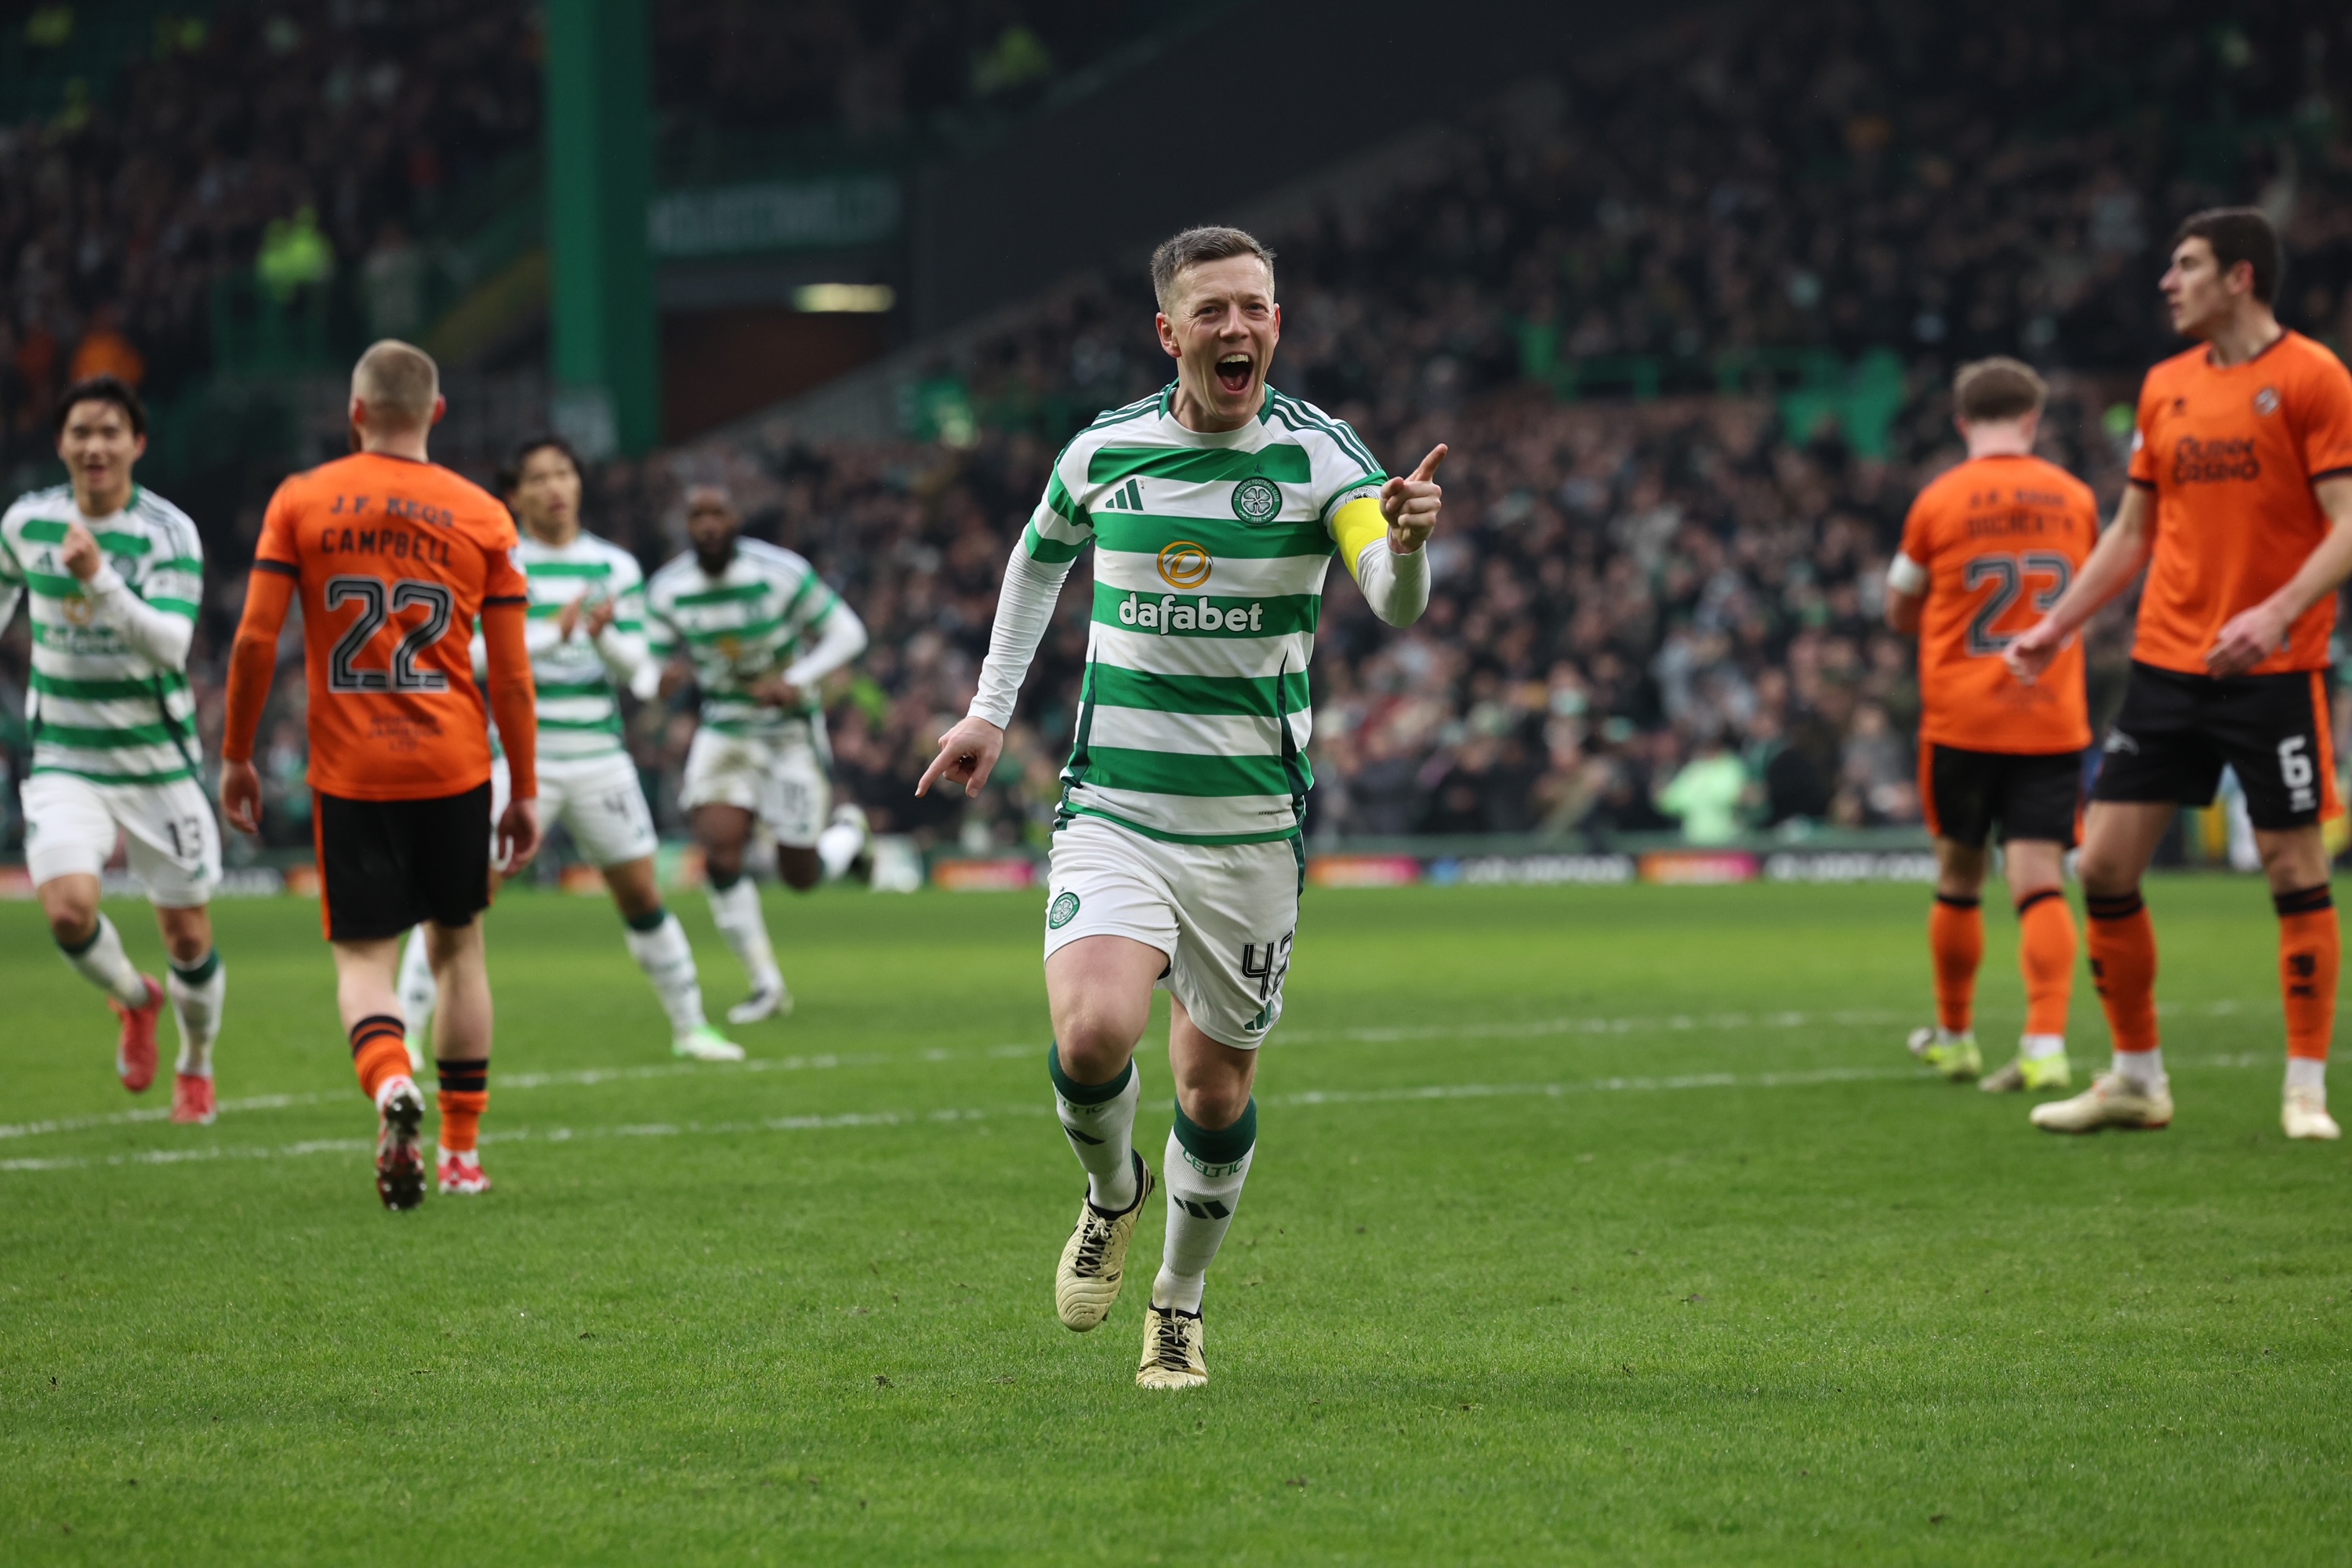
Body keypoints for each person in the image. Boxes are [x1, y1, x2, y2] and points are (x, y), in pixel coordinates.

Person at [917, 226, 1447, 1388]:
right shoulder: (1107, 450)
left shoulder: (1324, 459)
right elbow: (1034, 561)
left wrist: (1408, 545)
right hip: (1117, 806)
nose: (1238, 328)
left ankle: (1179, 1299)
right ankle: (1113, 1195)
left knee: (1214, 1089)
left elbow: (1391, 597)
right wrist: (989, 710)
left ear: (1277, 322)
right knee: (1092, 1035)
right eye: (1212, 312)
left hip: (1251, 832)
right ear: (1169, 333)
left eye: (1254, 308)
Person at [2008, 209, 2352, 1140]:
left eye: (2187, 264)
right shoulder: (2164, 387)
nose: (2168, 280)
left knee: (2292, 863)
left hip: (2274, 663)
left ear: (2242, 277)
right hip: (2168, 661)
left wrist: (2277, 610)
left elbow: (2348, 520)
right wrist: (2056, 626)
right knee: (2104, 862)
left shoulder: (2314, 378)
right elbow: (2131, 534)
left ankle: (2307, 1088)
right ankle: (2135, 1078)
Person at [219, 340, 543, 1208]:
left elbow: (255, 640)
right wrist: (529, 788)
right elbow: (509, 674)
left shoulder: (303, 499)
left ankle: (391, 1077)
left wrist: (238, 754)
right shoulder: (483, 514)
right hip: (453, 762)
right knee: (458, 949)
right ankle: (464, 1152)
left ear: (354, 411)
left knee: (364, 957)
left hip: (350, 766)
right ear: (436, 413)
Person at [394, 437, 742, 1064]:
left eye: (565, 474)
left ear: (580, 484)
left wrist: (607, 644)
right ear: (516, 493)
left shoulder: (615, 567)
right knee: (461, 894)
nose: (555, 487)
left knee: (641, 894)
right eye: (539, 477)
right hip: (512, 758)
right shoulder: (495, 560)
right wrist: (553, 636)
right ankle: (406, 1034)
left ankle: (692, 1027)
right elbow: (465, 659)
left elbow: (637, 666)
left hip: (598, 756)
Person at [1, 375, 224, 1124]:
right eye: (80, 432)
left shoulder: (168, 533)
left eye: (109, 432)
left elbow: (169, 645)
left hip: (157, 762)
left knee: (188, 934)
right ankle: (135, 998)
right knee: (66, 911)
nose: (95, 446)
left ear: (138, 443)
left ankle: (196, 1064)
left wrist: (97, 578)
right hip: (65, 754)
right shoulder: (25, 525)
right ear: (60, 443)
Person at [1886, 357, 2099, 1094]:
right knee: (2040, 879)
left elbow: (1899, 606)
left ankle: (1956, 1037)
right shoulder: (2075, 498)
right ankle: (2044, 1045)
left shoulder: (1938, 500)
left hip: (1962, 717)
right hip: (2049, 714)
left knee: (1959, 877)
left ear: (1960, 421)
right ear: (2033, 420)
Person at [644, 485, 870, 1023]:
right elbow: (648, 660)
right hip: (724, 730)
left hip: (788, 733)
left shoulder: (780, 573)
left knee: (800, 875)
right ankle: (766, 985)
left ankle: (849, 836)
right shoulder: (669, 588)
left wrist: (797, 678)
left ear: (736, 518)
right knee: (720, 853)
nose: (706, 525)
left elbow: (848, 633)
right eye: (696, 515)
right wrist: (657, 679)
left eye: (717, 513)